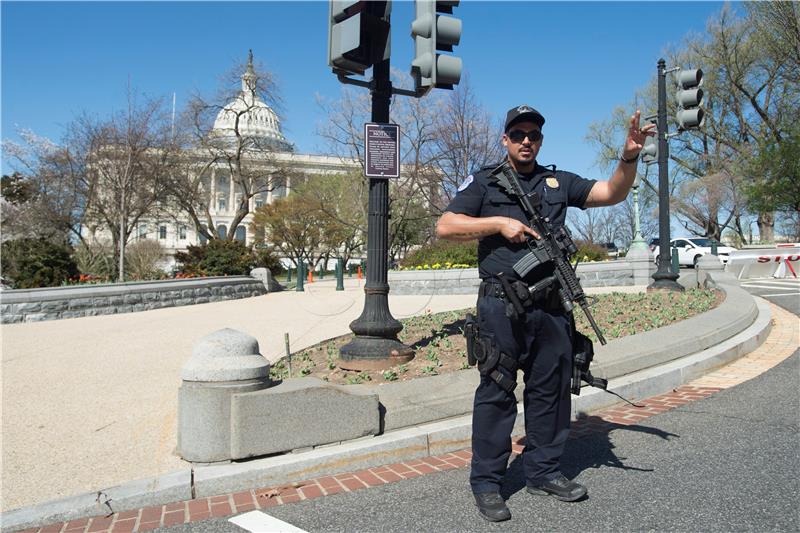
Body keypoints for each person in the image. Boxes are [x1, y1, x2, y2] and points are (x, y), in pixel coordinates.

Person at [435, 104, 654, 522]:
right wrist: (497, 223)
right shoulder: (485, 181)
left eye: (533, 135)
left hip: (551, 305)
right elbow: (446, 225)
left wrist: (629, 155)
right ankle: (487, 483)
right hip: (502, 303)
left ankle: (543, 471)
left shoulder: (558, 181)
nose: (525, 141)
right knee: (497, 389)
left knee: (550, 390)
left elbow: (613, 193)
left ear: (540, 140)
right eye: (518, 134)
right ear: (505, 138)